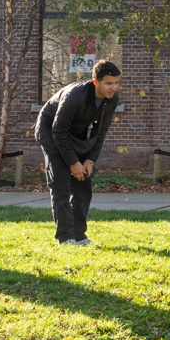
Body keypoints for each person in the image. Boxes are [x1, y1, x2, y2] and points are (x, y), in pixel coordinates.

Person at [35, 59, 121, 246]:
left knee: (83, 185)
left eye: (116, 83)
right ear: (96, 81)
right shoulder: (75, 96)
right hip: (50, 131)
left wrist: (89, 160)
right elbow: (58, 131)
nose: (113, 88)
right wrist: (73, 162)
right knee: (62, 185)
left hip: (75, 134)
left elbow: (101, 132)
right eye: (108, 83)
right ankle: (66, 237)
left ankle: (79, 236)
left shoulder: (111, 99)